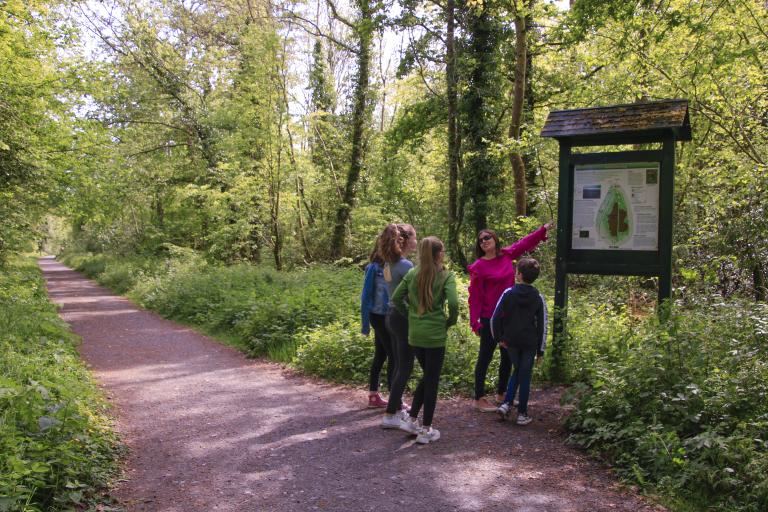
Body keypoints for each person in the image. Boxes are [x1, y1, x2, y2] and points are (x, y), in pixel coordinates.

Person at [468, 223, 551, 412]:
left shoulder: (506, 255)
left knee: (507, 356)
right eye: (480, 240)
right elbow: (475, 297)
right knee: (485, 356)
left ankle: (502, 394)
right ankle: (479, 397)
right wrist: (475, 322)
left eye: (487, 237)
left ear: (495, 239)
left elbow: (524, 243)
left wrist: (542, 230)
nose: (484, 242)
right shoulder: (479, 267)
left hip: (510, 317)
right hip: (490, 318)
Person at [387, 236, 458, 443]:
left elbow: (396, 299)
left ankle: (411, 419)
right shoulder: (446, 276)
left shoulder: (412, 273)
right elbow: (453, 304)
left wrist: (410, 314)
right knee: (432, 380)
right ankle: (426, 430)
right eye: (442, 251)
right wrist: (449, 321)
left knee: (427, 375)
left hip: (416, 334)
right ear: (438, 254)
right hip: (435, 335)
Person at [491, 257, 547, 426]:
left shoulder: (508, 293)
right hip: (530, 342)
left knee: (519, 371)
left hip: (511, 342)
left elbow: (494, 318)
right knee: (525, 374)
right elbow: (543, 325)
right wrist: (541, 350)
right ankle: (522, 413)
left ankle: (507, 404)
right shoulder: (538, 297)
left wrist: (499, 338)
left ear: (519, 275)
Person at [379, 224, 418, 422]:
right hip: (402, 318)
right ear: (404, 240)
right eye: (414, 237)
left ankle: (394, 409)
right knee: (405, 366)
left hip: (391, 316)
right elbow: (413, 296)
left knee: (398, 365)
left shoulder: (388, 264)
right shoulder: (405, 266)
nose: (416, 241)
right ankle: (392, 413)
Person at [360, 236, 393, 408]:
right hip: (378, 316)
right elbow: (365, 296)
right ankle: (396, 399)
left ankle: (373, 396)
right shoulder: (373, 268)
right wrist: (365, 324)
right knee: (393, 354)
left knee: (381, 354)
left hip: (386, 315)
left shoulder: (390, 266)